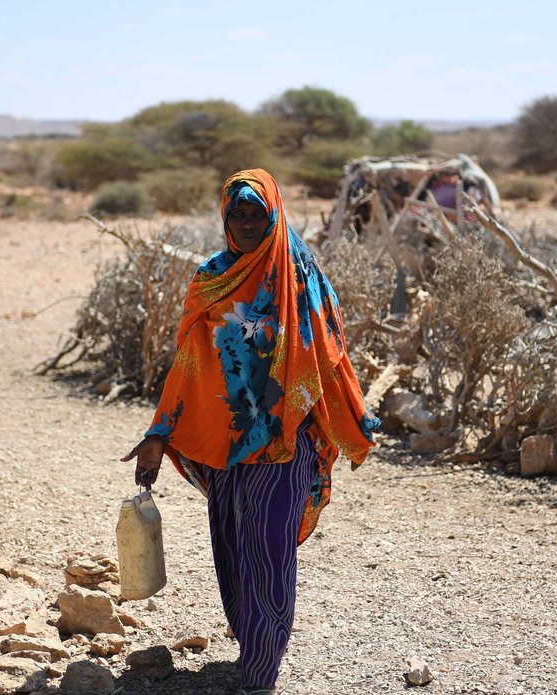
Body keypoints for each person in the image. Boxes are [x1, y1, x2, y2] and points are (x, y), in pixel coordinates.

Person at [122, 168, 380, 694]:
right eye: (235, 214)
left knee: (269, 552)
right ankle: (250, 648)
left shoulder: (300, 276)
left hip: (286, 443)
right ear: (224, 218)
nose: (244, 223)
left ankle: (261, 673)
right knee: (234, 549)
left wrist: (330, 416)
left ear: (274, 213)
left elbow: (327, 357)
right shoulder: (211, 277)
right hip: (225, 443)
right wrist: (159, 431)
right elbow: (189, 363)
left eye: (255, 213)